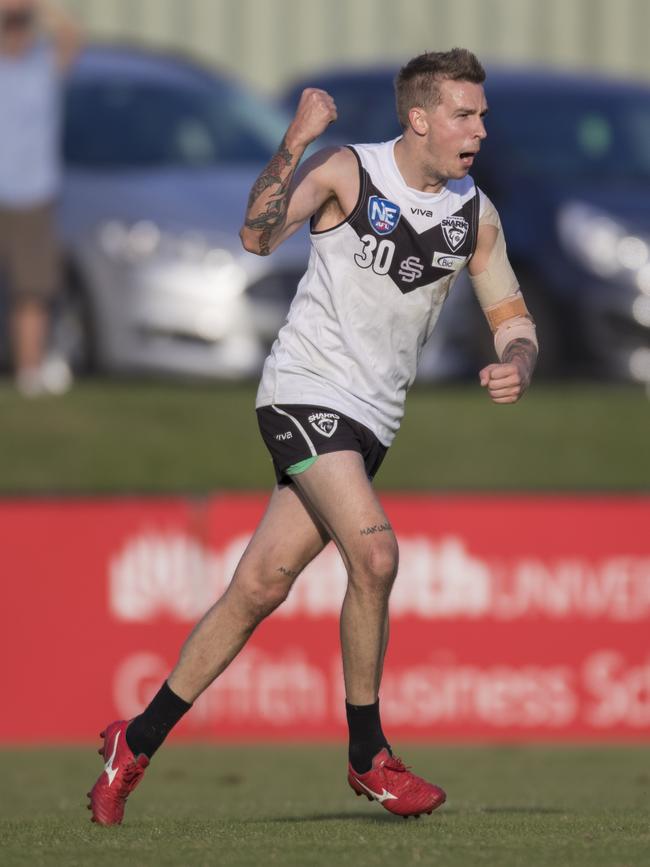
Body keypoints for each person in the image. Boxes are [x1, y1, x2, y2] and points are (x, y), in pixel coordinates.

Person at [87, 48, 538, 825]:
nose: (480, 129)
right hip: (302, 393)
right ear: (420, 118)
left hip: (370, 421)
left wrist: (518, 363)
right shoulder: (345, 171)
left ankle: (136, 737)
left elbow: (512, 317)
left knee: (259, 587)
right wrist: (293, 141)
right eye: (466, 114)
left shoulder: (475, 213)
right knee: (376, 553)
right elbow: (257, 237)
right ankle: (370, 757)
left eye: (483, 114)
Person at [0, 0, 80, 396]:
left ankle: (29, 373)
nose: (16, 32)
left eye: (20, 25)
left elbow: (71, 37)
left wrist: (35, 5)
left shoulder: (42, 68)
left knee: (31, 289)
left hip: (32, 195)